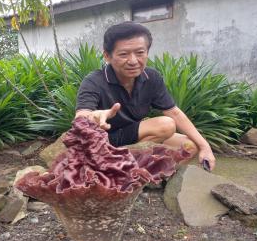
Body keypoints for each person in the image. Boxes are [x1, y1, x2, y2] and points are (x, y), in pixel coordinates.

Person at [75, 21, 216, 171]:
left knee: (189, 146)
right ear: (107, 56)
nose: (133, 61)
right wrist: (93, 117)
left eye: (140, 53)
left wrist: (205, 146)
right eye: (124, 54)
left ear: (147, 52)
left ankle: (146, 177)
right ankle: (117, 170)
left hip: (134, 137)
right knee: (165, 125)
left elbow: (173, 111)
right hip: (104, 142)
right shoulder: (94, 81)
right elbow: (81, 116)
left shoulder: (151, 77)